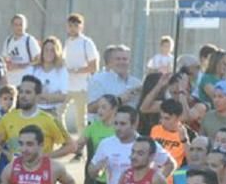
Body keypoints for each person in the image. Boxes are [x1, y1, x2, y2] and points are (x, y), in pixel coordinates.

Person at [0, 76, 75, 158]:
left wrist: (45, 157)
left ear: (38, 96)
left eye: (28, 92)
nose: (23, 96)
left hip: (41, 171)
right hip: (16, 171)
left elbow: (71, 146)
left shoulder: (49, 120)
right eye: (21, 92)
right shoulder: (7, 119)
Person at [63, 13, 99, 144]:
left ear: (81, 27)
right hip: (67, 86)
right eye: (70, 25)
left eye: (76, 26)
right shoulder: (67, 42)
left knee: (80, 120)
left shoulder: (86, 43)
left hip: (82, 87)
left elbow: (94, 66)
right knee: (58, 113)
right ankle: (66, 142)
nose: (73, 28)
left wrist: (77, 71)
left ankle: (80, 147)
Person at [87, 45, 142, 110]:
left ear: (129, 62)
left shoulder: (136, 83)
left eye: (125, 59)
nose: (121, 62)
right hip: (99, 120)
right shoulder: (98, 80)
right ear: (110, 62)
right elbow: (90, 108)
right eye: (118, 59)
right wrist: (118, 100)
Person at [27, 36, 70, 118]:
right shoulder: (32, 69)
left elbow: (65, 96)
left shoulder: (62, 70)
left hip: (54, 112)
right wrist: (53, 95)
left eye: (52, 50)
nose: (49, 53)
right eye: (46, 50)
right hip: (34, 111)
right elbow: (26, 93)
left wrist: (42, 96)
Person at [1, 14, 40, 86]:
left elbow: (38, 59)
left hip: (25, 81)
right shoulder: (8, 40)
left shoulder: (29, 40)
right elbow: (4, 58)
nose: (19, 27)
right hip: (11, 81)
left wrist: (19, 66)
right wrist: (7, 65)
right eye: (16, 25)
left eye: (21, 24)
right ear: (12, 26)